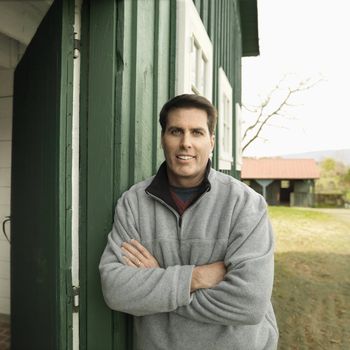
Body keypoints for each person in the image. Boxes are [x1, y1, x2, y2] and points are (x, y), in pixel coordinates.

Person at [99, 94, 279, 350]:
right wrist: (194, 278)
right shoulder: (133, 203)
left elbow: (249, 303)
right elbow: (116, 290)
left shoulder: (245, 204)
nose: (186, 143)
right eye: (176, 131)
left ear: (211, 142)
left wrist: (157, 285)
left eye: (197, 132)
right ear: (163, 139)